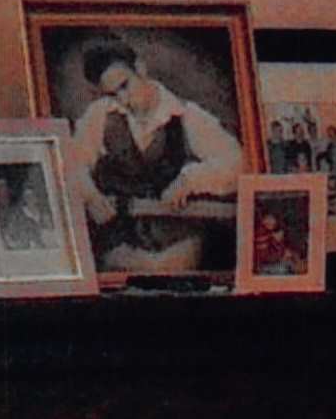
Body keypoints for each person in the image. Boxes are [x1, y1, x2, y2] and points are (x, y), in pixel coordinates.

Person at [65, 31, 243, 274]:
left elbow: (237, 162)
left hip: (176, 241)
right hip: (121, 243)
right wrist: (91, 196)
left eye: (125, 86)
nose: (123, 100)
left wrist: (190, 180)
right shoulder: (98, 115)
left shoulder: (186, 115)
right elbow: (70, 163)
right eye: (112, 94)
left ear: (140, 68)